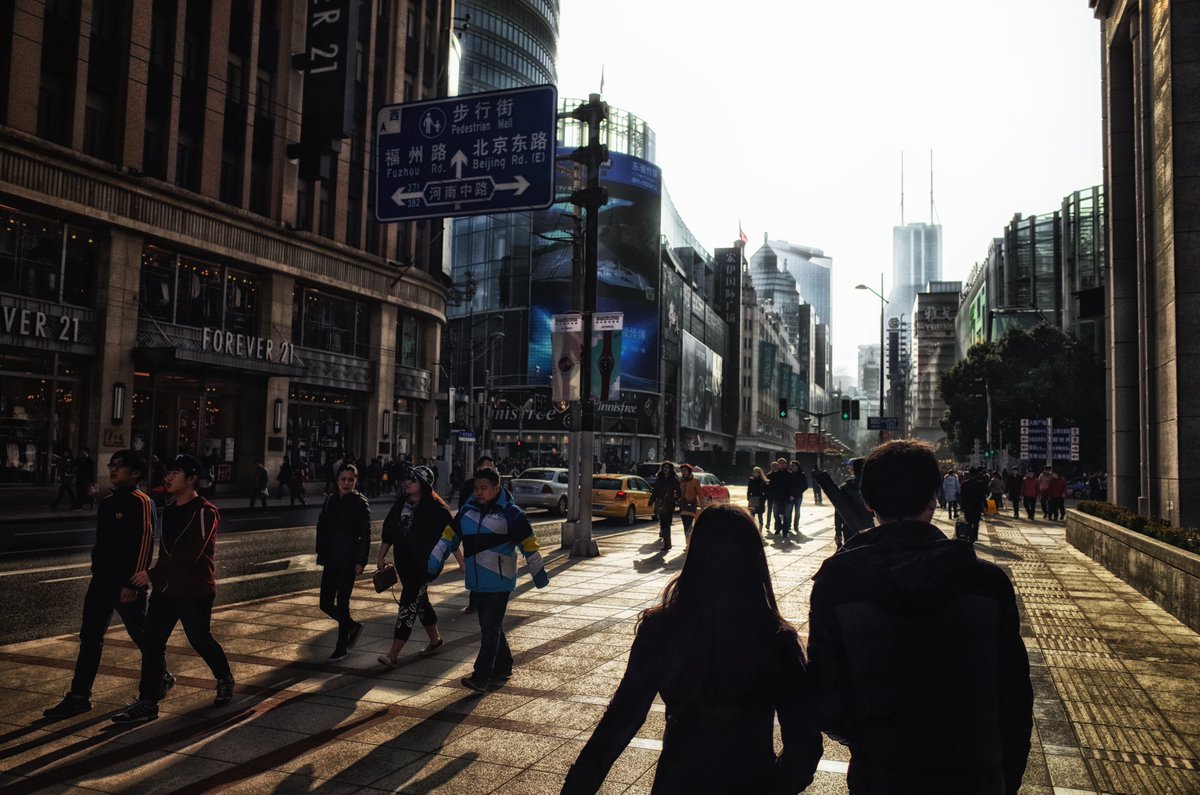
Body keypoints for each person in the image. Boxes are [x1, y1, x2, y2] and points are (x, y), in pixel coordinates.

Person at [807, 440, 1033, 794]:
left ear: (868, 502)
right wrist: (1006, 774)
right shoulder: (986, 583)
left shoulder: (838, 583)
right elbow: (1014, 696)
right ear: (933, 497)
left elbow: (826, 697)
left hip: (881, 775)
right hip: (975, 774)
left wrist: (875, 735)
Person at [562, 505, 823, 793]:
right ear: (754, 558)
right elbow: (805, 741)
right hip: (750, 778)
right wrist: (777, 786)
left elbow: (622, 718)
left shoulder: (662, 629)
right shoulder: (776, 638)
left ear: (695, 553)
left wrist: (578, 786)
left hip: (678, 780)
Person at [44, 451, 168, 718]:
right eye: (111, 466)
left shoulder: (141, 502)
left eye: (119, 467)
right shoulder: (108, 502)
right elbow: (102, 544)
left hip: (127, 585)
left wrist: (133, 585)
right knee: (90, 637)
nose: (113, 470)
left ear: (135, 473)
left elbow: (145, 542)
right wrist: (96, 571)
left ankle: (159, 679)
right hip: (101, 582)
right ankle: (79, 696)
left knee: (144, 637)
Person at [112, 455, 234, 724]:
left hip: (194, 590)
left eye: (175, 472)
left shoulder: (205, 511)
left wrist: (152, 574)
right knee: (153, 643)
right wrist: (156, 577)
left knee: (199, 638)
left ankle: (224, 677)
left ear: (191, 479)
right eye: (167, 472)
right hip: (166, 590)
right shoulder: (169, 509)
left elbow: (192, 553)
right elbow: (167, 553)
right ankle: (148, 702)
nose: (167, 477)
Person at [428, 467, 549, 692]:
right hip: (477, 581)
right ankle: (504, 665)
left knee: (489, 628)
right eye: (476, 488)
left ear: (496, 488)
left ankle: (481, 677)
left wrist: (539, 575)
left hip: (500, 582)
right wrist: (433, 562)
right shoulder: (466, 512)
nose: (479, 492)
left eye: (484, 488)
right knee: (491, 625)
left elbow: (530, 546)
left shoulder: (512, 514)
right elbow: (448, 538)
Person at [376, 466, 450, 667]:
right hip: (404, 565)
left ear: (424, 486)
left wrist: (459, 561)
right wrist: (380, 557)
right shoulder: (400, 504)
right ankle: (435, 641)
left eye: (414, 480)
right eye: (408, 478)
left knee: (408, 604)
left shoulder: (436, 510)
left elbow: (450, 537)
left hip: (424, 567)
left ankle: (393, 655)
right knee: (420, 602)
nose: (408, 482)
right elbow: (388, 533)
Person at [315, 464, 371, 662]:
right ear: (337, 480)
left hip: (348, 559)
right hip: (331, 558)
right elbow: (321, 527)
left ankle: (341, 647)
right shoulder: (330, 500)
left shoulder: (359, 503)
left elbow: (365, 534)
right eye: (343, 479)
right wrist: (320, 553)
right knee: (325, 603)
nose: (346, 483)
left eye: (350, 479)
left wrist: (361, 561)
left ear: (356, 481)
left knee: (343, 603)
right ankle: (352, 626)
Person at [834, 457, 870, 550]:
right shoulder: (871, 486)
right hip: (868, 526)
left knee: (851, 553)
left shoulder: (845, 487)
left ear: (853, 469)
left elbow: (838, 511)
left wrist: (838, 532)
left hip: (849, 526)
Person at [648, 461, 681, 551]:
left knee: (667, 523)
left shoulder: (674, 480)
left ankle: (667, 543)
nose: (666, 469)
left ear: (670, 469)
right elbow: (655, 491)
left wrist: (676, 496)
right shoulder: (659, 479)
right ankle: (667, 544)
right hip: (661, 503)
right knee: (663, 523)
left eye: (667, 468)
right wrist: (651, 501)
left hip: (670, 503)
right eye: (664, 468)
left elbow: (678, 491)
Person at [677, 464, 706, 545]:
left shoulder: (695, 481)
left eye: (685, 470)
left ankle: (689, 543)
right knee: (686, 526)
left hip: (691, 505)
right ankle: (688, 542)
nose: (683, 472)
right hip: (683, 505)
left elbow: (700, 495)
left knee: (688, 525)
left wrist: (703, 506)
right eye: (682, 470)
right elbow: (678, 493)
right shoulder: (680, 481)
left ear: (689, 471)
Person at [959, 467, 988, 543]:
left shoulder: (964, 484)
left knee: (968, 522)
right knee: (976, 522)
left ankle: (969, 535)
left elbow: (962, 496)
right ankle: (974, 536)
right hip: (977, 506)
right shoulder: (980, 484)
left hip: (967, 506)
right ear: (976, 474)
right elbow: (982, 496)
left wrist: (962, 506)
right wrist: (985, 505)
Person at [767, 457, 793, 538]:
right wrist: (771, 494)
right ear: (778, 465)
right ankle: (778, 527)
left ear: (786, 464)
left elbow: (793, 486)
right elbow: (770, 485)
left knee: (786, 515)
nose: (782, 465)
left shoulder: (789, 474)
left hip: (787, 497)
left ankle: (785, 530)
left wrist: (792, 495)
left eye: (783, 463)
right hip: (777, 497)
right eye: (780, 463)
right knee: (775, 513)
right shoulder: (774, 475)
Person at [788, 460, 809, 535]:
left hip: (798, 496)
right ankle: (788, 525)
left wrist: (798, 492)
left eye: (794, 465)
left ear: (797, 466)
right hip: (790, 496)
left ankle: (796, 525)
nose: (792, 467)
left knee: (797, 511)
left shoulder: (801, 475)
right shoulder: (789, 474)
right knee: (788, 511)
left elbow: (806, 485)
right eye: (791, 465)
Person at [746, 466, 769, 531]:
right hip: (752, 498)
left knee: (760, 515)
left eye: (755, 472)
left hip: (760, 499)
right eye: (753, 472)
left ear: (759, 473)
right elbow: (749, 489)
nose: (754, 473)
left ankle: (760, 528)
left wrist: (763, 499)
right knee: (751, 515)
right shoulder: (751, 480)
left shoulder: (763, 481)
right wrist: (748, 497)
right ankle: (753, 528)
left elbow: (765, 491)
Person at [763, 461, 780, 532]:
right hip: (770, 496)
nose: (774, 467)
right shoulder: (769, 475)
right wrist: (766, 494)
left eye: (775, 466)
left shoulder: (779, 474)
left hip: (777, 496)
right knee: (770, 510)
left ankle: (776, 524)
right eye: (773, 466)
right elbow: (766, 485)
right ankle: (768, 523)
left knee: (776, 511)